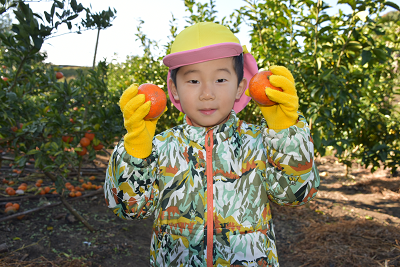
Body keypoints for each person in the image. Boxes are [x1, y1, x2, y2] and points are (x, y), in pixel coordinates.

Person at [104, 22, 320, 267]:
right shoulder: (161, 148)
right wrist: (136, 148)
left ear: (240, 87)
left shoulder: (259, 142)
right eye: (193, 81)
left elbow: (295, 195)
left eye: (219, 79)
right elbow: (129, 208)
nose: (207, 93)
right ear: (174, 90)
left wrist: (284, 132)